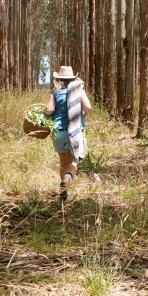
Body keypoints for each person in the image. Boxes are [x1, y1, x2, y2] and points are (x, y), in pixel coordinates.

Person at [45, 65, 92, 199]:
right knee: (73, 163)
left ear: (59, 79)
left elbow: (49, 109)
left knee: (63, 162)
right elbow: (88, 107)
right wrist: (83, 114)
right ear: (73, 78)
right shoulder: (78, 90)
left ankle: (62, 193)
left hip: (58, 133)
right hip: (74, 132)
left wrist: (45, 113)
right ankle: (66, 180)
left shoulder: (55, 92)